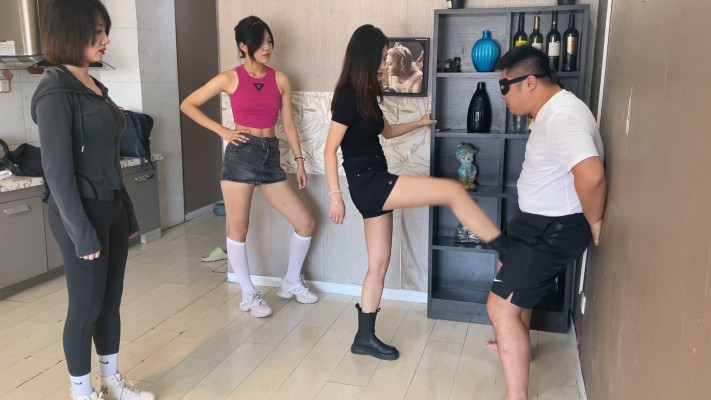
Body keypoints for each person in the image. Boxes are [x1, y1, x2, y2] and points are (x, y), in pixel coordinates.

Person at [325, 24, 508, 361]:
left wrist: (420, 122)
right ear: (365, 58)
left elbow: (387, 132)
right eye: (381, 58)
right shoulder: (348, 96)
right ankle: (504, 248)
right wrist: (335, 197)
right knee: (452, 190)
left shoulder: (365, 95)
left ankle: (364, 338)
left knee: (378, 263)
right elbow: (329, 149)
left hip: (374, 181)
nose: (384, 64)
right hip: (369, 183)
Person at [30, 1, 154, 399]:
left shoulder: (94, 87)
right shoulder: (54, 92)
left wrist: (127, 211)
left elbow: (108, 159)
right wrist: (81, 232)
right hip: (80, 213)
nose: (105, 40)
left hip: (110, 206)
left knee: (109, 302)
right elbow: (57, 172)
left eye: (105, 30)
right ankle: (81, 392)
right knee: (86, 307)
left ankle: (111, 381)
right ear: (70, 32)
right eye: (97, 31)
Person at [485, 45, 606, 400]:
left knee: (500, 306)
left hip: (555, 227)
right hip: (536, 222)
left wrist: (595, 220)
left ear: (530, 82)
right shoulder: (550, 112)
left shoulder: (561, 117)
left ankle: (516, 394)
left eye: (505, 86)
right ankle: (516, 345)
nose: (502, 95)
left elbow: (592, 176)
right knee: (511, 282)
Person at [180, 16, 317, 318]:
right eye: (261, 42)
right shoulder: (229, 78)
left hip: (270, 156)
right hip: (241, 156)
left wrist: (299, 161)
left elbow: (288, 124)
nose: (268, 47)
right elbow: (187, 104)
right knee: (239, 227)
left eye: (270, 42)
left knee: (305, 221)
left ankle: (290, 282)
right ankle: (248, 294)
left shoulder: (280, 79)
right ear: (244, 45)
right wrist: (222, 130)